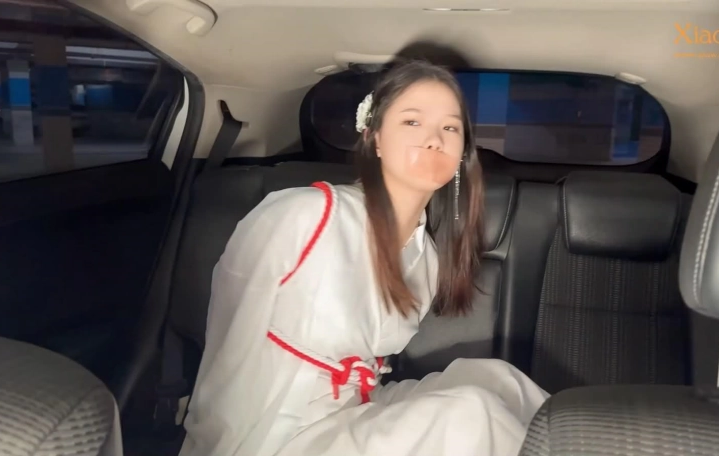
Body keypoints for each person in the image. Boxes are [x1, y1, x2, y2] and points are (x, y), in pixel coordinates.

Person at [178, 60, 550, 456]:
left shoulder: (427, 259)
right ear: (375, 139)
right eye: (412, 122)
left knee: (498, 380)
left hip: (352, 410)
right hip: (276, 428)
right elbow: (231, 342)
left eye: (450, 128)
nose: (434, 139)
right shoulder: (307, 215)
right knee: (470, 416)